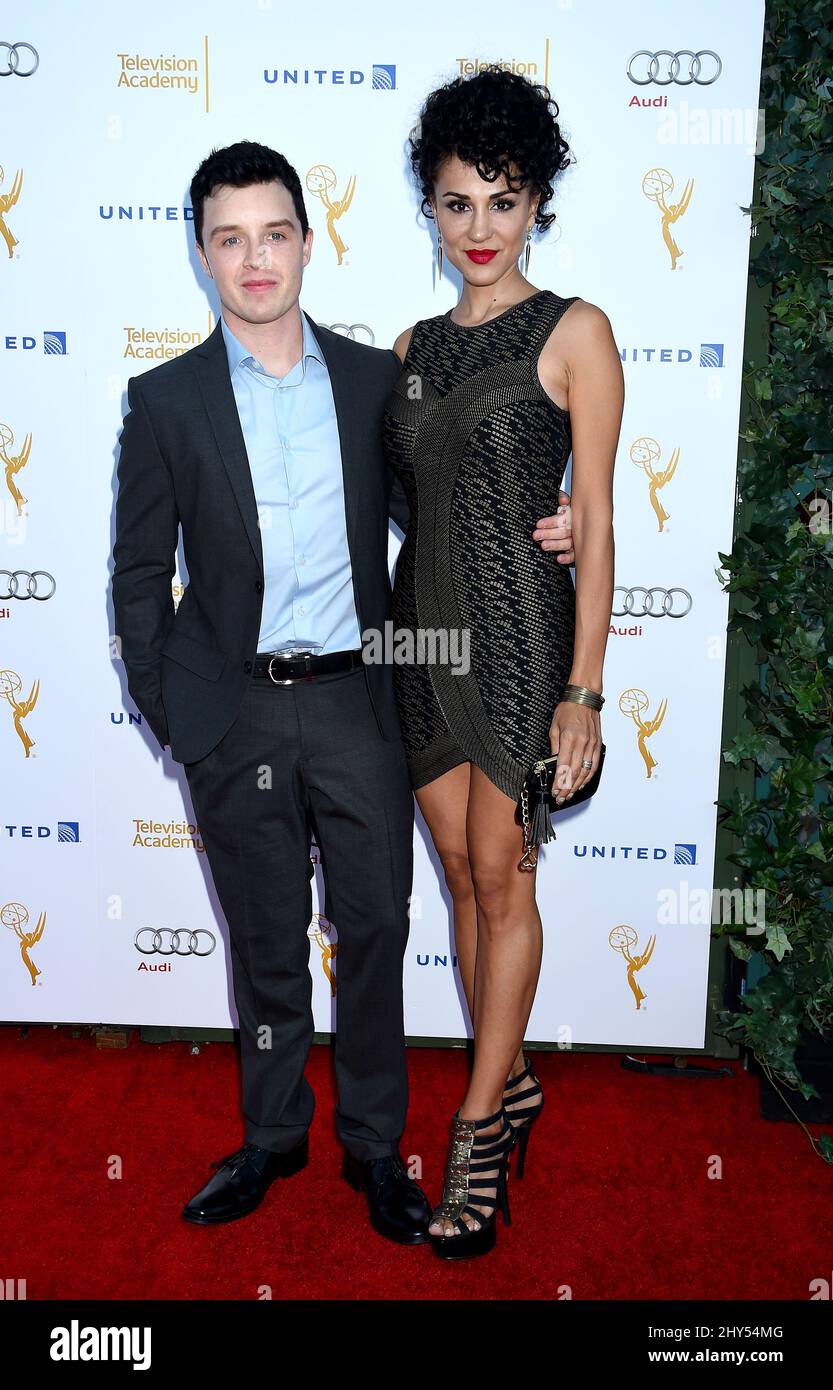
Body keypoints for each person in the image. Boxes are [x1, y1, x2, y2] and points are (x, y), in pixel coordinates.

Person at [111, 139, 575, 1246]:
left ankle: (375, 1146)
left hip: (365, 703)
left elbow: (449, 499)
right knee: (266, 942)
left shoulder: (377, 379)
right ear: (203, 255)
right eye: (230, 237)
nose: (255, 258)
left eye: (274, 233)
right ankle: (273, 1137)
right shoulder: (164, 401)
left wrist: (545, 525)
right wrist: (182, 719)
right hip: (234, 713)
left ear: (307, 244)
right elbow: (137, 577)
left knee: (373, 932)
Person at [383, 68, 623, 1258]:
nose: (479, 229)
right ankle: (512, 1074)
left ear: (537, 203)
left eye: (503, 200)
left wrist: (583, 692)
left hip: (524, 634)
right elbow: (400, 498)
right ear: (426, 207)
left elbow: (600, 518)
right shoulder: (410, 345)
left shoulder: (575, 330)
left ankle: (478, 1124)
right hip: (418, 641)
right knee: (460, 876)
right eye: (455, 203)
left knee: (504, 873)